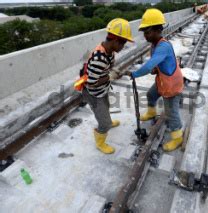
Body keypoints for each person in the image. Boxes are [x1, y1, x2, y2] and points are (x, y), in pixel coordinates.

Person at [126, 9, 184, 152]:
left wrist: (135, 74)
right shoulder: (154, 45)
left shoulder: (163, 46)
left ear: (158, 30)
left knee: (171, 113)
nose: (145, 35)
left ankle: (177, 137)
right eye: (144, 32)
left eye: (148, 32)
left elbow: (148, 66)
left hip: (171, 84)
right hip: (163, 80)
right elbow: (158, 64)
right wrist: (156, 70)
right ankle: (152, 112)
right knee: (151, 95)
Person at [74, 18, 134, 154]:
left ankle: (107, 120)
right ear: (115, 41)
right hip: (94, 93)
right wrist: (111, 76)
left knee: (106, 107)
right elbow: (92, 82)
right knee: (103, 120)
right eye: (123, 44)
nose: (123, 47)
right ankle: (100, 141)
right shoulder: (99, 59)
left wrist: (112, 73)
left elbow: (106, 70)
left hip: (102, 89)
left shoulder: (109, 52)